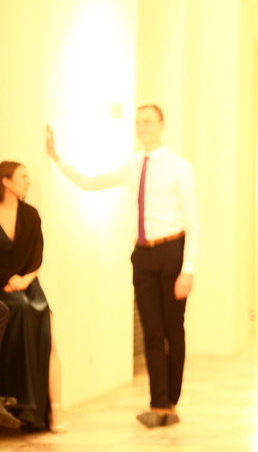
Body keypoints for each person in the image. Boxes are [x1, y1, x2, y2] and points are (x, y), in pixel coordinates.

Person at [45, 105, 198, 428]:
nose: (142, 126)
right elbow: (91, 183)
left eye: (148, 121)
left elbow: (193, 221)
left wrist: (189, 268)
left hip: (172, 250)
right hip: (142, 255)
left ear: (162, 125)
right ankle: (159, 405)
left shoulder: (179, 167)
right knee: (152, 333)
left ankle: (171, 402)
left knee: (173, 331)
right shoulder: (132, 165)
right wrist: (56, 158)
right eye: (138, 121)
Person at [0, 161, 61, 431]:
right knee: (18, 310)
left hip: (28, 285)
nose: (28, 181)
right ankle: (16, 403)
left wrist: (24, 279)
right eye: (23, 176)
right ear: (6, 182)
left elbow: (37, 255)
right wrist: (7, 279)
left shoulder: (31, 214)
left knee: (41, 320)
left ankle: (42, 410)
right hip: (3, 286)